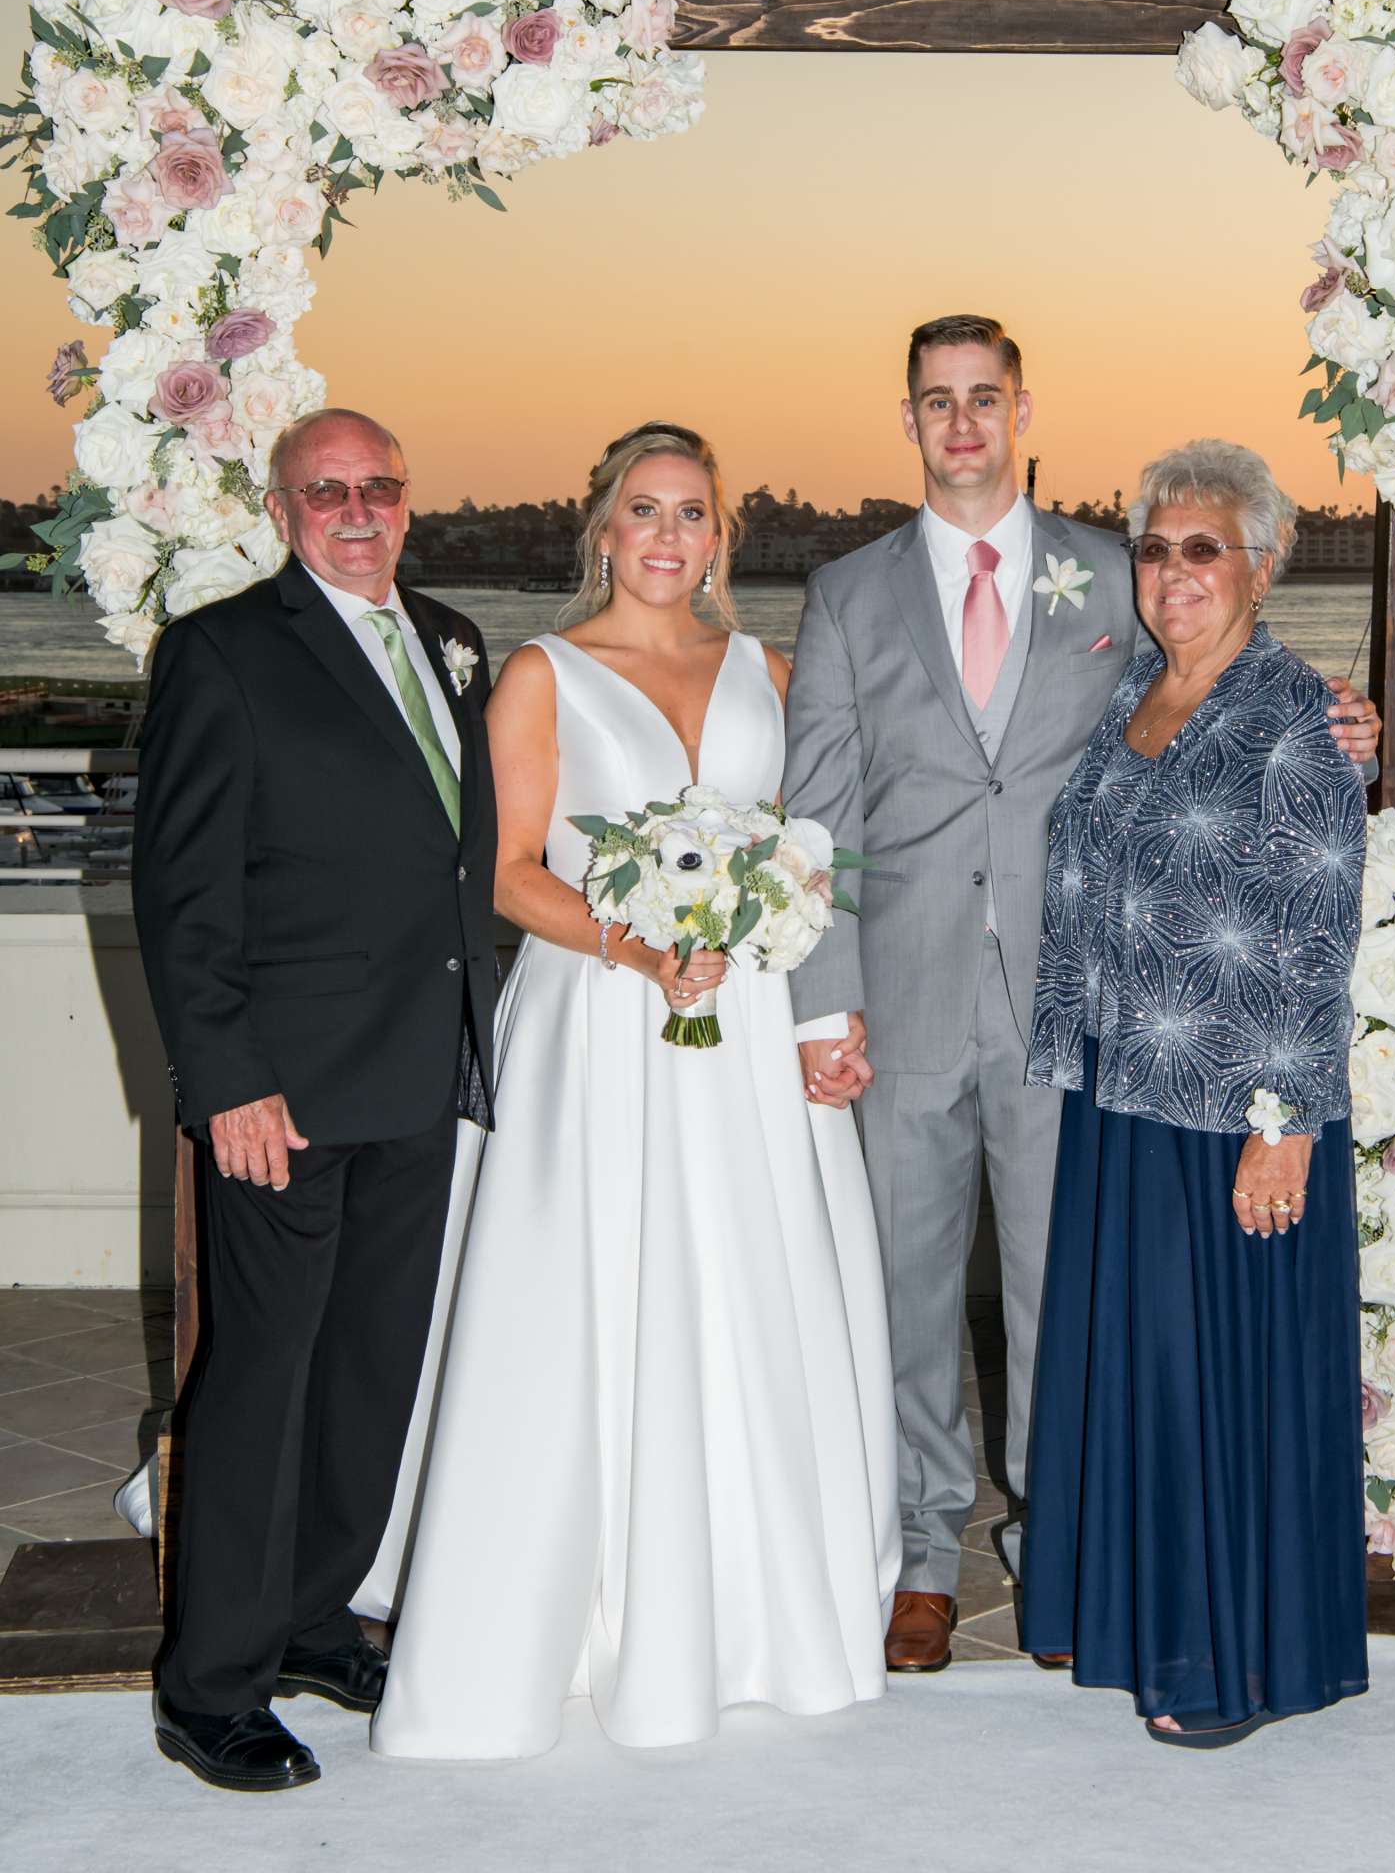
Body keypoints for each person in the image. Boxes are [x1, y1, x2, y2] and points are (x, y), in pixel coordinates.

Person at [781, 319, 1381, 1674]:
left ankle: (1065, 1541)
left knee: (1068, 1292)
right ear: (911, 419)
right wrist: (826, 1001)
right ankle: (921, 1552)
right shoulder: (845, 592)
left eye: (985, 397)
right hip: (903, 992)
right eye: (938, 402)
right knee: (905, 1286)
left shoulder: (1117, 569)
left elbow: (1219, 677)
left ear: (1024, 407)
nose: (964, 423)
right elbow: (815, 813)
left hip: (1078, 1013)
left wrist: (1346, 721)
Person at [371, 422, 899, 1762]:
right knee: (591, 1291)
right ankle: (576, 1611)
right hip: (604, 1020)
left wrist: (799, 982)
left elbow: (811, 854)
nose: (669, 538)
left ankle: (758, 1608)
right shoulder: (544, 677)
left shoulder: (771, 674)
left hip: (746, 1017)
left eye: (695, 515)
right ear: (602, 527)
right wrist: (639, 941)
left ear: (724, 535)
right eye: (645, 512)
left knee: (747, 1286)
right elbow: (505, 873)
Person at [132, 409, 497, 1793]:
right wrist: (226, 1081)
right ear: (281, 508)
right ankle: (207, 1684)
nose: (358, 511)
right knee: (260, 1386)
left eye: (380, 489)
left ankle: (307, 1622)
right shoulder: (223, 653)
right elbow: (180, 893)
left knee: (368, 1377)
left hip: (418, 1075)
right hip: (280, 1096)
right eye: (327, 491)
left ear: (409, 503)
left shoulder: (453, 639)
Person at [1021, 439, 1369, 1746]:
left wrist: (1281, 1127)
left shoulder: (1297, 718)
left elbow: (1316, 933)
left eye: (1203, 548)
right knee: (1145, 1380)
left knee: (1215, 1385)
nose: (1174, 574)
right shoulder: (1134, 705)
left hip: (1236, 1114)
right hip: (1124, 1095)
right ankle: (1140, 1616)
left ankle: (1227, 1660)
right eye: (1156, 549)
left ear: (1263, 565)